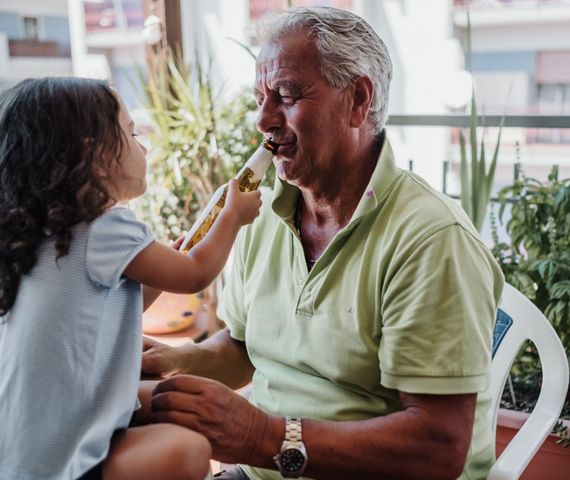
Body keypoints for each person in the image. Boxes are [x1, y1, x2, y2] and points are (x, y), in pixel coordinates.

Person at [143, 6, 504, 480]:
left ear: (357, 100)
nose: (264, 120)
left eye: (287, 95)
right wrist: (172, 361)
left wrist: (259, 437)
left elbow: (438, 448)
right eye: (260, 98)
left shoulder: (431, 241)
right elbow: (246, 348)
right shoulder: (262, 214)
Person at [0, 77, 262, 480]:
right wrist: (233, 216)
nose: (143, 146)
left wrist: (163, 264)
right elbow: (196, 274)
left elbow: (105, 312)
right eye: (132, 132)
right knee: (191, 448)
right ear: (94, 151)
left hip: (23, 443)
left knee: (179, 400)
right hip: (63, 459)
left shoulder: (47, 233)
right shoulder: (104, 226)